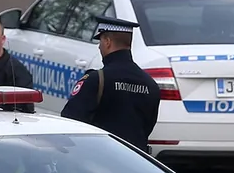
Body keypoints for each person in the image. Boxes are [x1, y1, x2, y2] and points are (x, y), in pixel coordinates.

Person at [60, 15, 161, 152]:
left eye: (100, 41)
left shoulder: (96, 79)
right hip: (136, 162)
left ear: (107, 42)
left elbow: (70, 121)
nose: (99, 47)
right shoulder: (151, 85)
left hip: (99, 159)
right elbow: (147, 126)